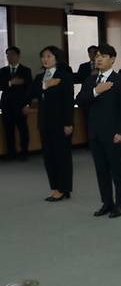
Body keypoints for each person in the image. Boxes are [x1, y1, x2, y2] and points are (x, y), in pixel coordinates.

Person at [76, 45, 121, 218]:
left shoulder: (120, 80)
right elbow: (80, 100)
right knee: (101, 169)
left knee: (117, 168)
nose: (98, 59)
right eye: (97, 56)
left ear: (113, 59)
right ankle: (106, 202)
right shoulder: (90, 80)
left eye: (103, 56)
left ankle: (120, 203)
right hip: (94, 133)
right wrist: (95, 91)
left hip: (114, 133)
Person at [23, 46, 74, 202]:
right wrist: (45, 86)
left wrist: (68, 123)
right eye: (43, 56)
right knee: (49, 157)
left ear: (56, 58)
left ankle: (64, 189)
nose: (45, 59)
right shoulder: (40, 77)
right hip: (44, 123)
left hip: (61, 122)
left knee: (62, 156)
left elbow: (68, 101)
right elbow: (30, 94)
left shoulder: (64, 76)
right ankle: (55, 188)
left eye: (49, 56)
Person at [0, 47, 32, 161]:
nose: (10, 57)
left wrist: (27, 104)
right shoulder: (3, 71)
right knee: (8, 130)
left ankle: (24, 152)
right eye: (7, 55)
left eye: (12, 54)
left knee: (23, 130)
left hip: (21, 105)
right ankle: (11, 153)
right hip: (6, 105)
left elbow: (29, 89)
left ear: (18, 56)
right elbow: (1, 85)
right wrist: (10, 82)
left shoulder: (26, 70)